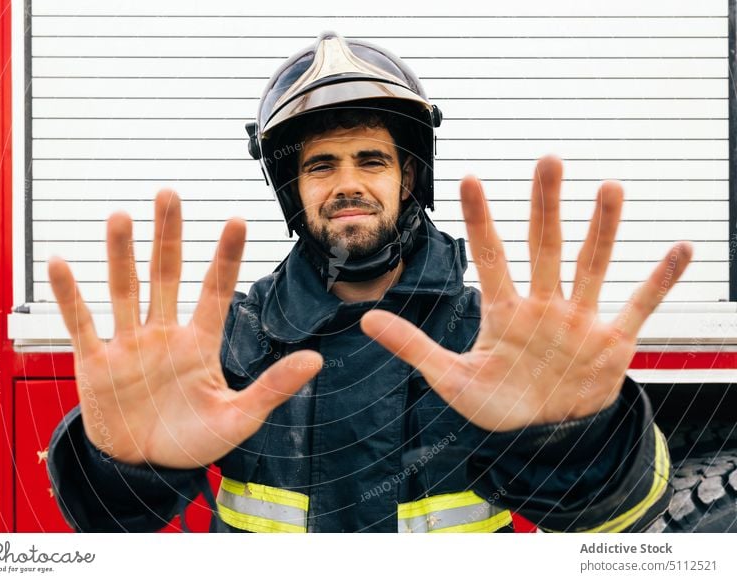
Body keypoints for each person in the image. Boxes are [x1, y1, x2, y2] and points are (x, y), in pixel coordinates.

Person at [46, 32, 690, 533]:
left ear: (409, 178)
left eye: (371, 159)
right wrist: (121, 465)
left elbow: (618, 524)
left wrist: (572, 438)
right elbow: (107, 526)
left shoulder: (486, 335)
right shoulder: (235, 339)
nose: (347, 182)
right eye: (321, 165)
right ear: (294, 193)